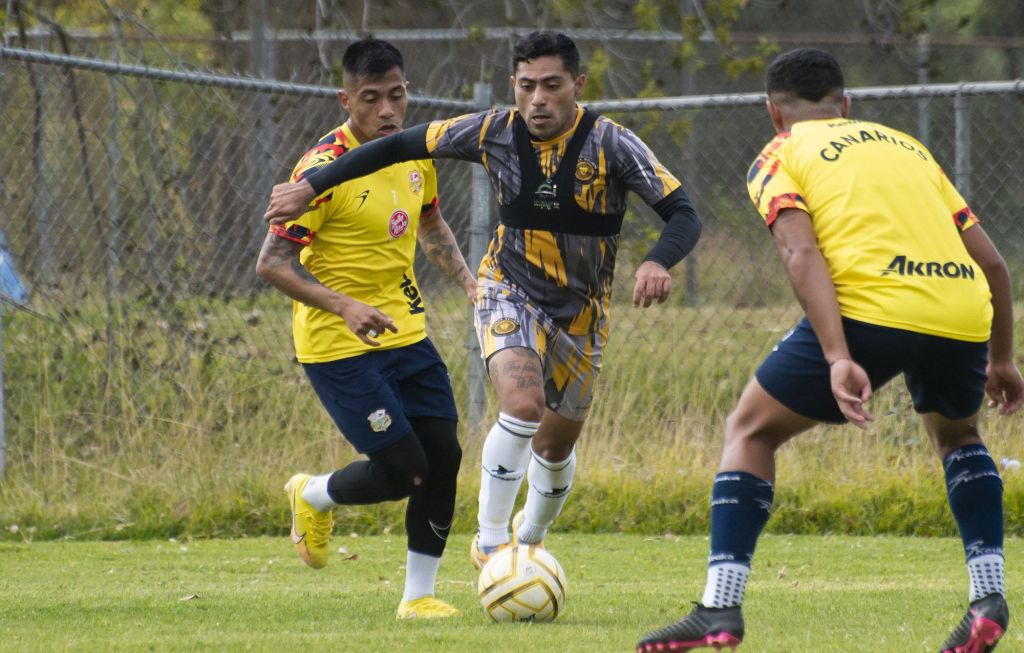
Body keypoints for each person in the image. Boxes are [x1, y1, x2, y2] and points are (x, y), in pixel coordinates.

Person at [264, 32, 702, 571]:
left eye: (551, 85)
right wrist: (311, 186)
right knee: (520, 408)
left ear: (577, 85)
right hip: (506, 291)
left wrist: (659, 259)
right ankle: (492, 543)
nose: (537, 98)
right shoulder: (492, 130)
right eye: (526, 86)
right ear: (512, 86)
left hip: (581, 312)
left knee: (555, 449)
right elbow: (399, 145)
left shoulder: (613, 143)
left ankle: (531, 536)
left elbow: (683, 211)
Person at [637, 48, 1023, 653]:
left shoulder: (779, 154)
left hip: (872, 310)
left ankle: (718, 609)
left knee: (750, 429)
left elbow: (800, 253)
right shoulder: (907, 146)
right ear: (846, 104)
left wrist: (838, 354)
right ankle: (988, 596)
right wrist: (1003, 358)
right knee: (959, 438)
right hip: (960, 307)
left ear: (773, 113)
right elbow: (995, 263)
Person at [254, 38, 476, 620]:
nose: (387, 112)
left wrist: (472, 284)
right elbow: (272, 264)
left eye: (396, 96)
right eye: (371, 99)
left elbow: (431, 226)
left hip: (405, 330)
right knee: (404, 469)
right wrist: (345, 306)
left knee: (444, 456)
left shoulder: (413, 152)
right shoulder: (320, 171)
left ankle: (418, 597)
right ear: (345, 99)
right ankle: (312, 494)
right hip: (337, 344)